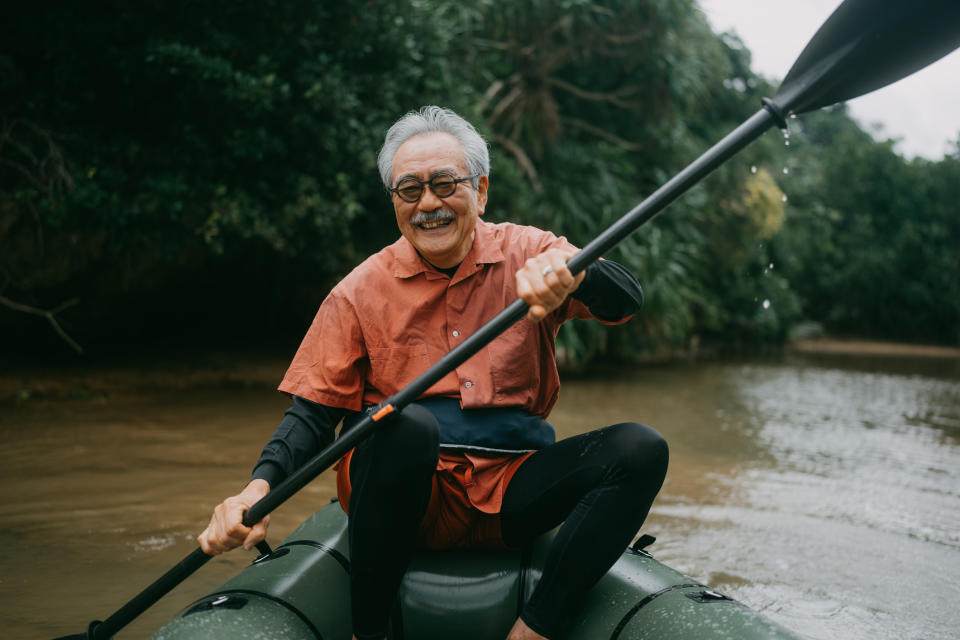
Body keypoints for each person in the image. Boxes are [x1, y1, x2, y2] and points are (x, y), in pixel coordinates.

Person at [199, 106, 668, 640]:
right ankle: (368, 633)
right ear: (395, 202)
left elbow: (624, 301)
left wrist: (575, 275)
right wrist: (255, 493)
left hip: (512, 486)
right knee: (404, 424)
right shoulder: (358, 290)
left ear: (481, 190)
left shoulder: (531, 252)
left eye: (445, 184)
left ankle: (535, 629)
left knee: (640, 448)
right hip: (405, 495)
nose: (428, 204)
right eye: (410, 190)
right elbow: (312, 412)